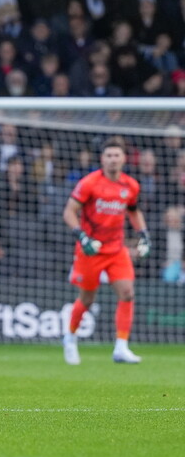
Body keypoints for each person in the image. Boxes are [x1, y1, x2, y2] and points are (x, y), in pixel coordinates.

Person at [63, 136, 150, 366]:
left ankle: (121, 347)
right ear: (102, 159)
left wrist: (143, 234)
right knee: (87, 299)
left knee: (127, 293)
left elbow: (134, 211)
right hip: (90, 250)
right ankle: (70, 338)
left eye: (116, 155)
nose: (113, 159)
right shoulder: (89, 183)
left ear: (124, 159)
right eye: (109, 155)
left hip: (116, 249)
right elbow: (69, 212)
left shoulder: (130, 185)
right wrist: (82, 237)